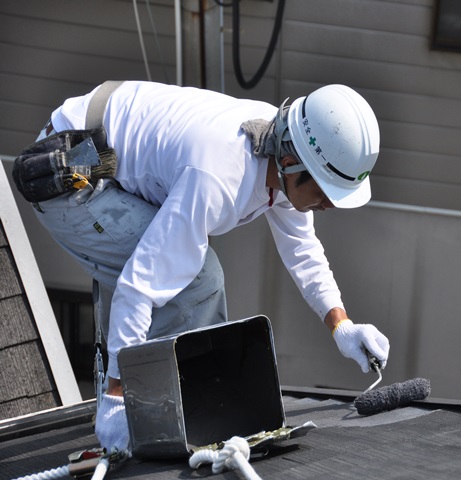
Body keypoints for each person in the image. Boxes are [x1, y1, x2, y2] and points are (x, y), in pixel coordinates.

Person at [13, 81, 390, 452]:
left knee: (179, 268)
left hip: (101, 149)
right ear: (291, 164)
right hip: (68, 167)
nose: (328, 206)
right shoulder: (219, 175)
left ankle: (185, 406)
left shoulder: (281, 143)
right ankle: (167, 419)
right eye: (325, 192)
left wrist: (342, 325)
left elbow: (302, 249)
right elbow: (139, 285)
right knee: (196, 282)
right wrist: (115, 399)